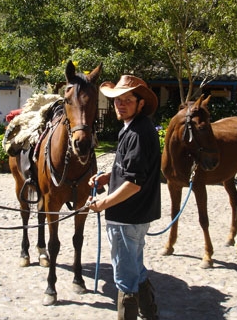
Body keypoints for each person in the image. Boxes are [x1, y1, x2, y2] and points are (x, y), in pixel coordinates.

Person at [88, 75, 161, 320]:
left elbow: (134, 183)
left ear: (141, 103)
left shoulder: (138, 134)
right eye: (117, 100)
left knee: (124, 277)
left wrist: (103, 203)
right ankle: (151, 314)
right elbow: (130, 169)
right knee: (135, 268)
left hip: (126, 218)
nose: (120, 104)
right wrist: (108, 177)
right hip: (137, 215)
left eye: (127, 100)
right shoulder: (133, 128)